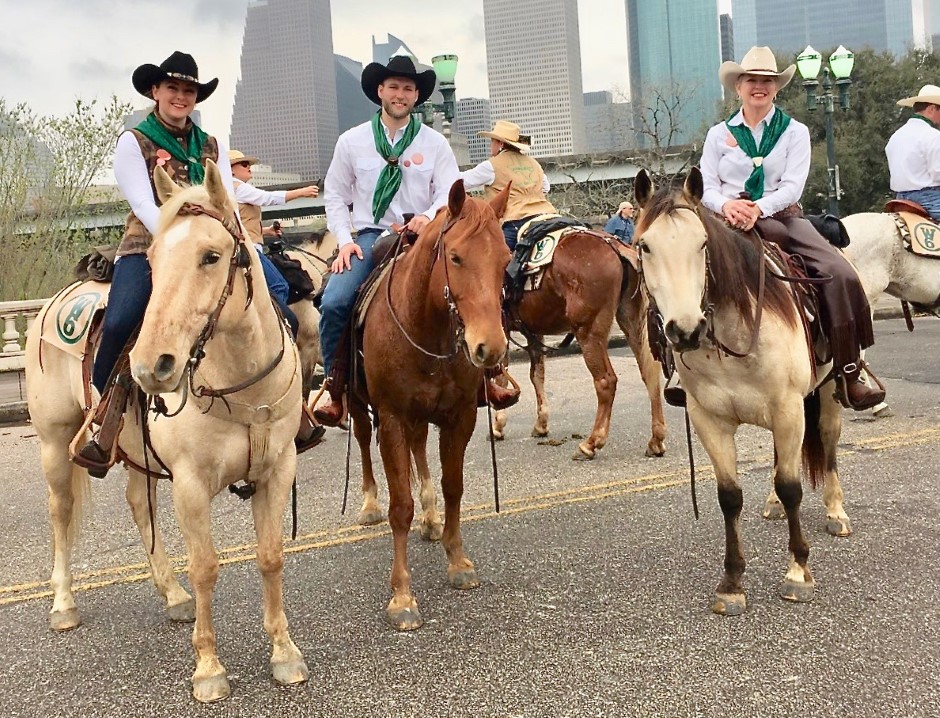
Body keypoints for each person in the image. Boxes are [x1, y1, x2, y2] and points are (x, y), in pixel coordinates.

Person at [76, 52, 321, 476]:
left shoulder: (211, 145)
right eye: (173, 88)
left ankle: (291, 409)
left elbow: (226, 202)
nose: (181, 97)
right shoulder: (133, 142)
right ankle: (104, 417)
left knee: (281, 313)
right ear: (155, 92)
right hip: (150, 245)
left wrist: (235, 246)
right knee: (121, 321)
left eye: (188, 90)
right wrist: (178, 243)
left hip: (210, 248)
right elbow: (144, 205)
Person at [314, 56, 516, 426]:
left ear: (416, 96)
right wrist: (344, 241)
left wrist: (429, 216)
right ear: (380, 91)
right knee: (335, 299)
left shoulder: (434, 143)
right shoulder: (351, 142)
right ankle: (335, 385)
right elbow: (335, 195)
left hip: (427, 235)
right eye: (393, 87)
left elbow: (450, 190)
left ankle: (490, 374)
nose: (400, 94)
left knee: (481, 285)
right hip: (371, 235)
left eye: (408, 88)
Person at [699, 45, 884, 411]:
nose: (759, 86)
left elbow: (792, 186)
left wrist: (758, 208)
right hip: (725, 221)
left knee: (839, 273)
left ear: (776, 87)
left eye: (767, 81)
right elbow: (705, 185)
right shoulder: (718, 133)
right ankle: (682, 370)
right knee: (681, 269)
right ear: (738, 86)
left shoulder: (794, 131)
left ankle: (849, 371)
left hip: (782, 217)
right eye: (752, 80)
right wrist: (728, 206)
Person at [229, 149, 320, 336]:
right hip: (250, 251)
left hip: (250, 247)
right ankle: (272, 331)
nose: (250, 168)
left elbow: (242, 225)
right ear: (230, 170)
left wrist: (267, 231)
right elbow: (267, 198)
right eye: (244, 164)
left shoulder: (232, 189)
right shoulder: (236, 187)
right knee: (279, 286)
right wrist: (301, 192)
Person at [459, 120, 556, 250]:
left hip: (515, 221)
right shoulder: (533, 163)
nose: (491, 145)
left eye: (492, 141)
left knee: (492, 260)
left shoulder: (492, 166)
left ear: (500, 143)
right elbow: (545, 187)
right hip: (547, 216)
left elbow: (460, 182)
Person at [885, 84, 940, 221]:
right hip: (930, 199)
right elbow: (938, 173)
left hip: (899, 199)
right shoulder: (932, 135)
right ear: (932, 108)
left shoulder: (896, 136)